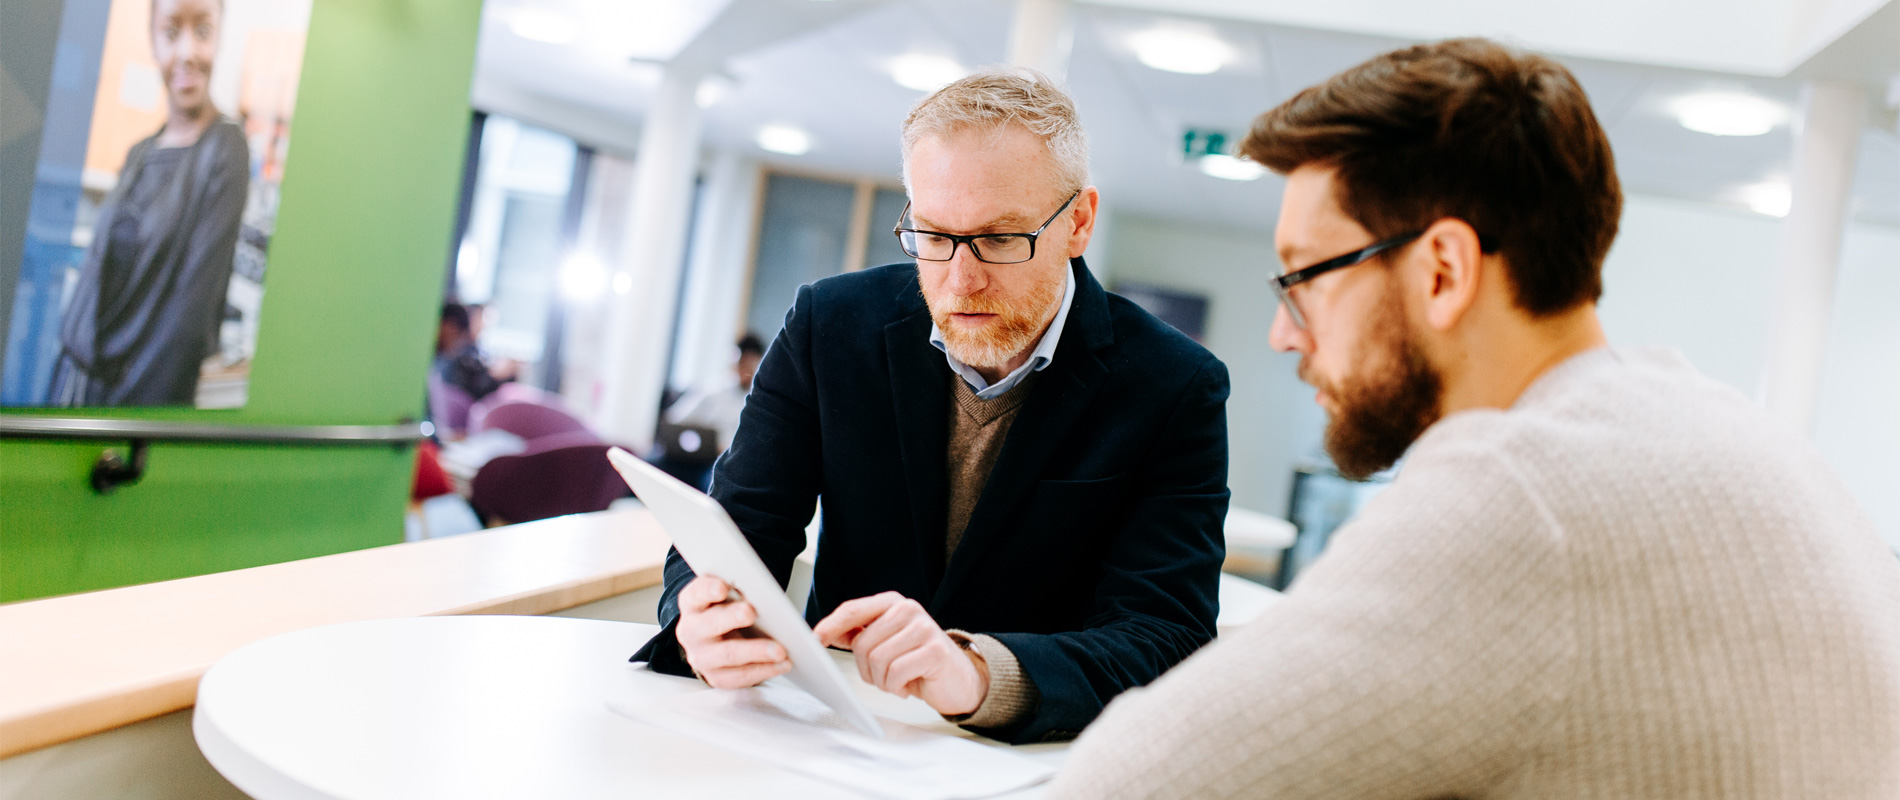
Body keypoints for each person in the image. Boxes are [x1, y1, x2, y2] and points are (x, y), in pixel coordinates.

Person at [1048, 38, 1900, 798]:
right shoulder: (1720, 424)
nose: (1283, 334)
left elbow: (1125, 784)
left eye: (1304, 277)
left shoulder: (1521, 489)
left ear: (1444, 271)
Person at [631, 68, 1231, 744]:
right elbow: (738, 527)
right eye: (934, 235)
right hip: (835, 732)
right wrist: (702, 622)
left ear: (1079, 222)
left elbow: (1165, 634)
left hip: (1033, 759)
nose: (960, 279)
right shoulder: (830, 325)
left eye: (1002, 239)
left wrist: (979, 673)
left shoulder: (1175, 384)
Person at [49, 0, 249, 406]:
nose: (187, 52)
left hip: (125, 406)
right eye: (172, 32)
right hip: (72, 384)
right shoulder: (139, 152)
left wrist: (120, 425)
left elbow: (184, 325)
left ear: (221, 35)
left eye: (204, 31)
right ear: (153, 42)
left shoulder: (224, 148)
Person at [653, 333, 766, 491]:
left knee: (715, 482)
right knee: (652, 464)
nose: (745, 369)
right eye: (741, 362)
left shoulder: (762, 402)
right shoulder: (712, 390)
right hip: (695, 458)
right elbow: (674, 420)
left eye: (750, 364)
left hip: (726, 466)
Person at [429, 303, 502, 437]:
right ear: (450, 328)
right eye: (459, 338)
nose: (457, 346)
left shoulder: (438, 364)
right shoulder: (433, 364)